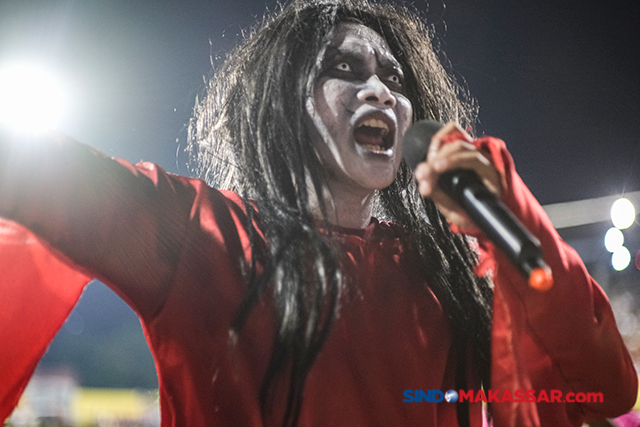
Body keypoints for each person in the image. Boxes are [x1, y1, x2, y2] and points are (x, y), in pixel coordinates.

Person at [0, 0, 636, 426]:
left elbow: (603, 384)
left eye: (394, 77)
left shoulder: (457, 273)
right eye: (344, 68)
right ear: (282, 106)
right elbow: (32, 170)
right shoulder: (200, 234)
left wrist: (509, 213)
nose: (382, 89)